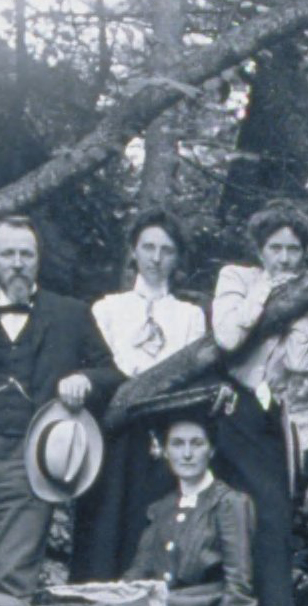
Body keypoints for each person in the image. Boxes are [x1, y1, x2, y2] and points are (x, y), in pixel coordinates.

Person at [0, 216, 118, 599]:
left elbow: (111, 373)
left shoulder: (71, 314)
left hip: (33, 457)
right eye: (8, 254)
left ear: (38, 260)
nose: (18, 263)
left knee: (13, 576)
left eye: (26, 254)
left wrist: (85, 381)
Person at [210, 205, 308, 606]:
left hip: (273, 418)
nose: (284, 258)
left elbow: (303, 362)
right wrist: (267, 290)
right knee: (224, 520)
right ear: (260, 249)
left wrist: (307, 304)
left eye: (293, 250)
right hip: (229, 412)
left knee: (272, 522)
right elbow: (227, 338)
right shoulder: (237, 278)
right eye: (275, 248)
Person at [73, 210, 209, 582]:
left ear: (177, 258)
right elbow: (99, 370)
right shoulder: (107, 309)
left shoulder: (190, 316)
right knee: (102, 522)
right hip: (110, 433)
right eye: (147, 247)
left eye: (166, 250)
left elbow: (190, 377)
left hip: (159, 434)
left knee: (148, 522)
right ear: (133, 251)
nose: (155, 258)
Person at [121, 389, 256, 606]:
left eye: (197, 444)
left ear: (211, 450)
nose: (186, 453)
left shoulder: (228, 503)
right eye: (177, 444)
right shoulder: (161, 508)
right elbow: (139, 572)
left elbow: (239, 581)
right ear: (165, 451)